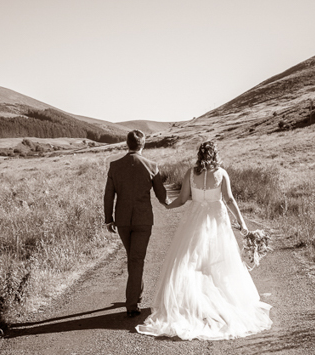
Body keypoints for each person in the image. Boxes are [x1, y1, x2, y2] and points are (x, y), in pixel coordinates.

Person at [136, 140, 272, 340]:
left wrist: (167, 206)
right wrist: (243, 225)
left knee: (191, 261)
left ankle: (190, 304)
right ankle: (220, 302)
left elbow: (182, 200)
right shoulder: (222, 173)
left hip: (194, 221)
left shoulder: (191, 173)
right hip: (217, 223)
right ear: (215, 154)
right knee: (218, 261)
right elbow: (229, 200)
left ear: (199, 154)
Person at [104, 130, 169, 317]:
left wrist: (108, 219)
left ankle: (135, 296)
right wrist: (172, 203)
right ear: (143, 144)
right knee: (136, 259)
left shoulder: (114, 166)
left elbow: (109, 195)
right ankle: (132, 304)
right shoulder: (151, 165)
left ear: (127, 143)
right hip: (143, 220)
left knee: (134, 258)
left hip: (122, 220)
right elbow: (161, 195)